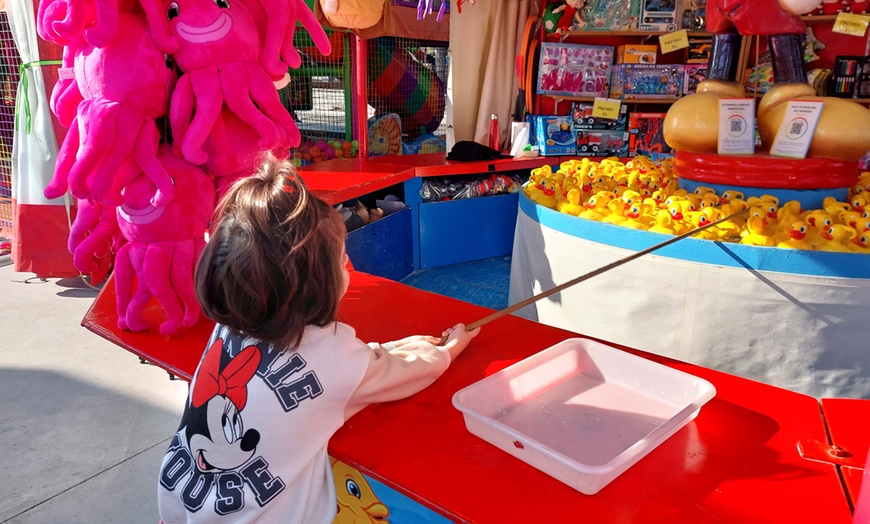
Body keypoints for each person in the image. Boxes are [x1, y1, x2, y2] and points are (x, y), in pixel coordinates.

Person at [156, 154, 480, 523]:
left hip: (180, 501)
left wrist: (400, 344)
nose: (347, 267)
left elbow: (345, 368)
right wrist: (449, 350)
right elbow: (405, 373)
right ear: (314, 285)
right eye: (342, 260)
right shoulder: (332, 355)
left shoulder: (229, 329)